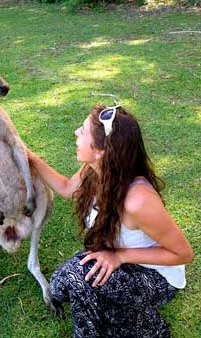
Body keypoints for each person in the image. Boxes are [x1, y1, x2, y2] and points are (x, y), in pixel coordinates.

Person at [27, 104, 193, 338]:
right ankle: (124, 316)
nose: (76, 132)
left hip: (156, 276)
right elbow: (65, 187)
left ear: (101, 151)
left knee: (79, 280)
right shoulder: (93, 170)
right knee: (59, 285)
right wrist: (28, 157)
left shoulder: (138, 201)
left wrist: (120, 256)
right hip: (119, 259)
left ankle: (148, 328)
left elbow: (183, 254)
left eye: (83, 131)